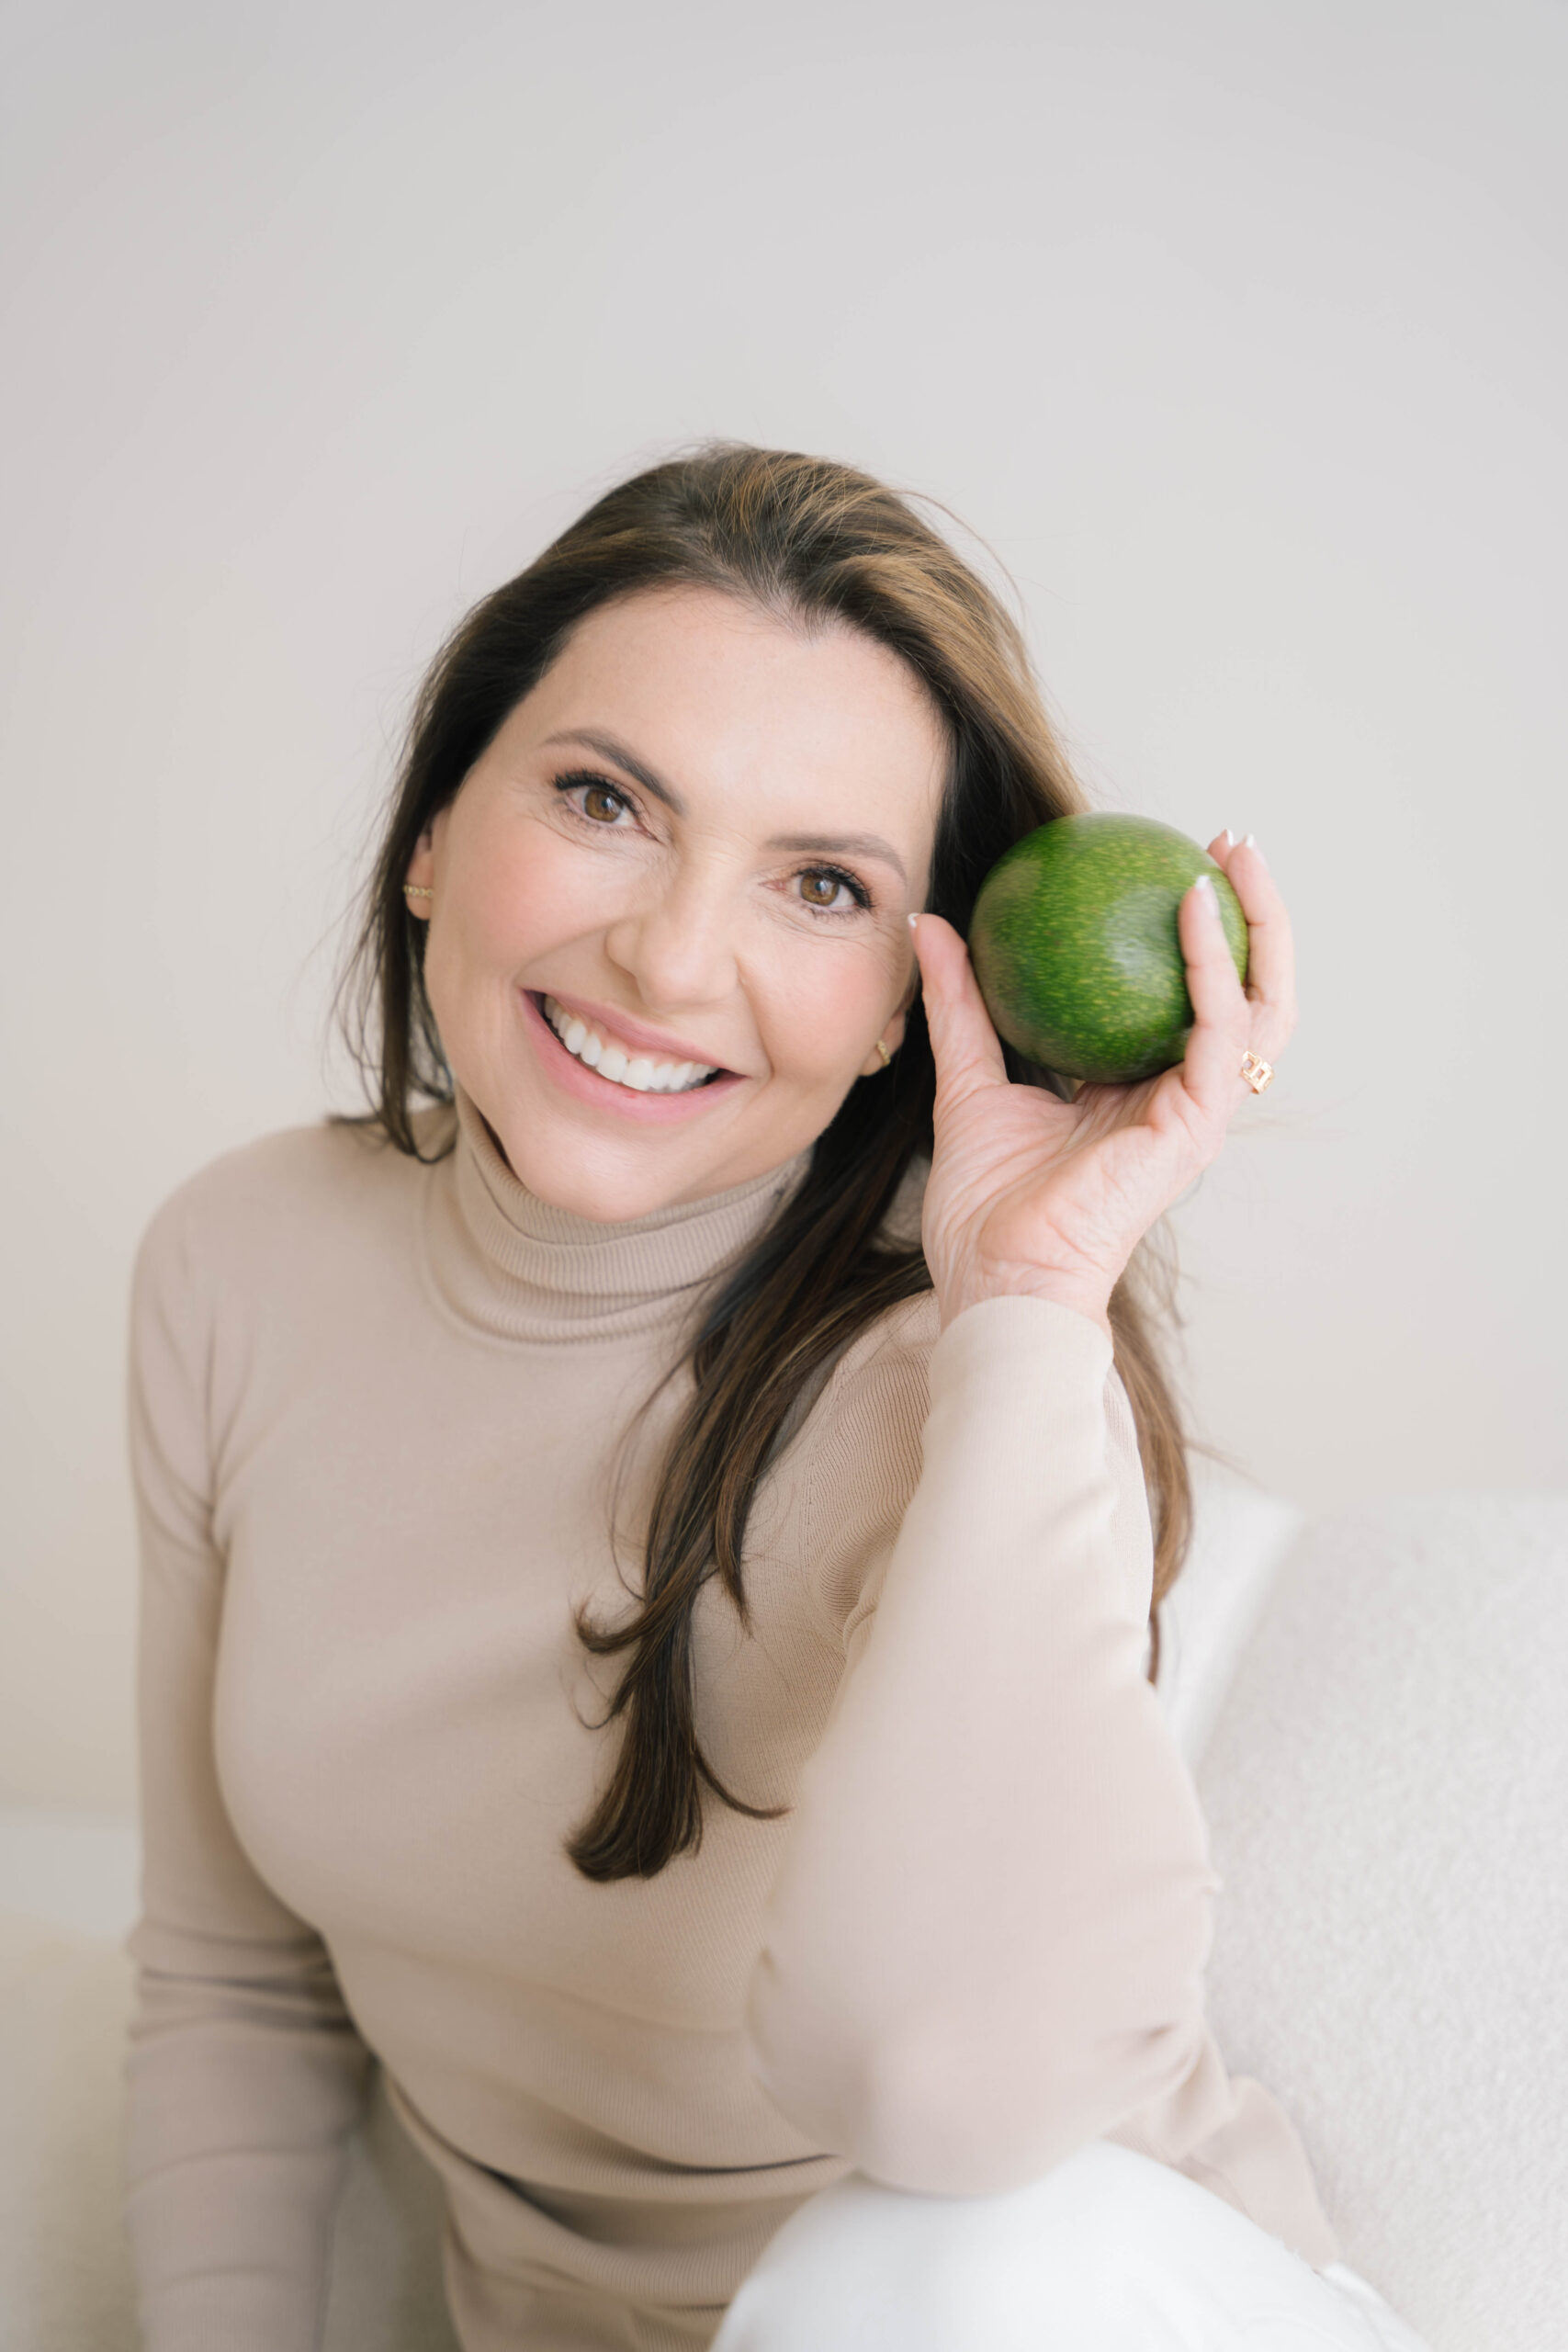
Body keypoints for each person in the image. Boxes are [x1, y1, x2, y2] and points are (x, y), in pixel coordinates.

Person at [121, 443, 1434, 2351]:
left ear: (918, 994)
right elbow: (231, 1985)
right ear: (427, 831)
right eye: (600, 799)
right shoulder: (236, 1264)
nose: (667, 954)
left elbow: (950, 2099)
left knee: (934, 2258)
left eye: (818, 884)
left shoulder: (949, 1376)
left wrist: (1026, 1314)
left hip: (1067, 2303)